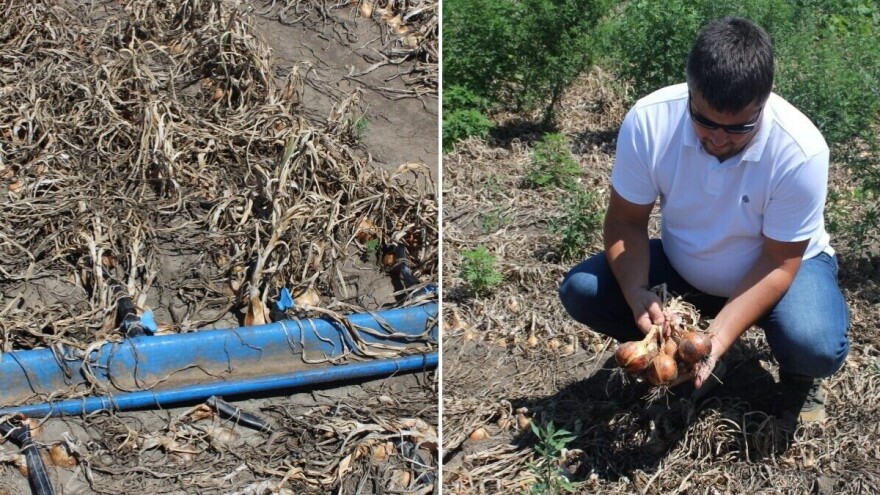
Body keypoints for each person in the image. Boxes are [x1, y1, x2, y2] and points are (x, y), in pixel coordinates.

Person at [558, 17, 849, 423]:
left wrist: (719, 337)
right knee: (583, 289)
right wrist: (637, 291)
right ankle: (683, 355)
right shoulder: (650, 121)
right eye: (705, 121)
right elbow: (626, 221)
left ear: (765, 100)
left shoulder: (800, 150)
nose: (718, 138)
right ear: (690, 92)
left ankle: (800, 375)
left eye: (738, 127)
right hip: (685, 265)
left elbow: (780, 261)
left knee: (814, 342)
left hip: (780, 272)